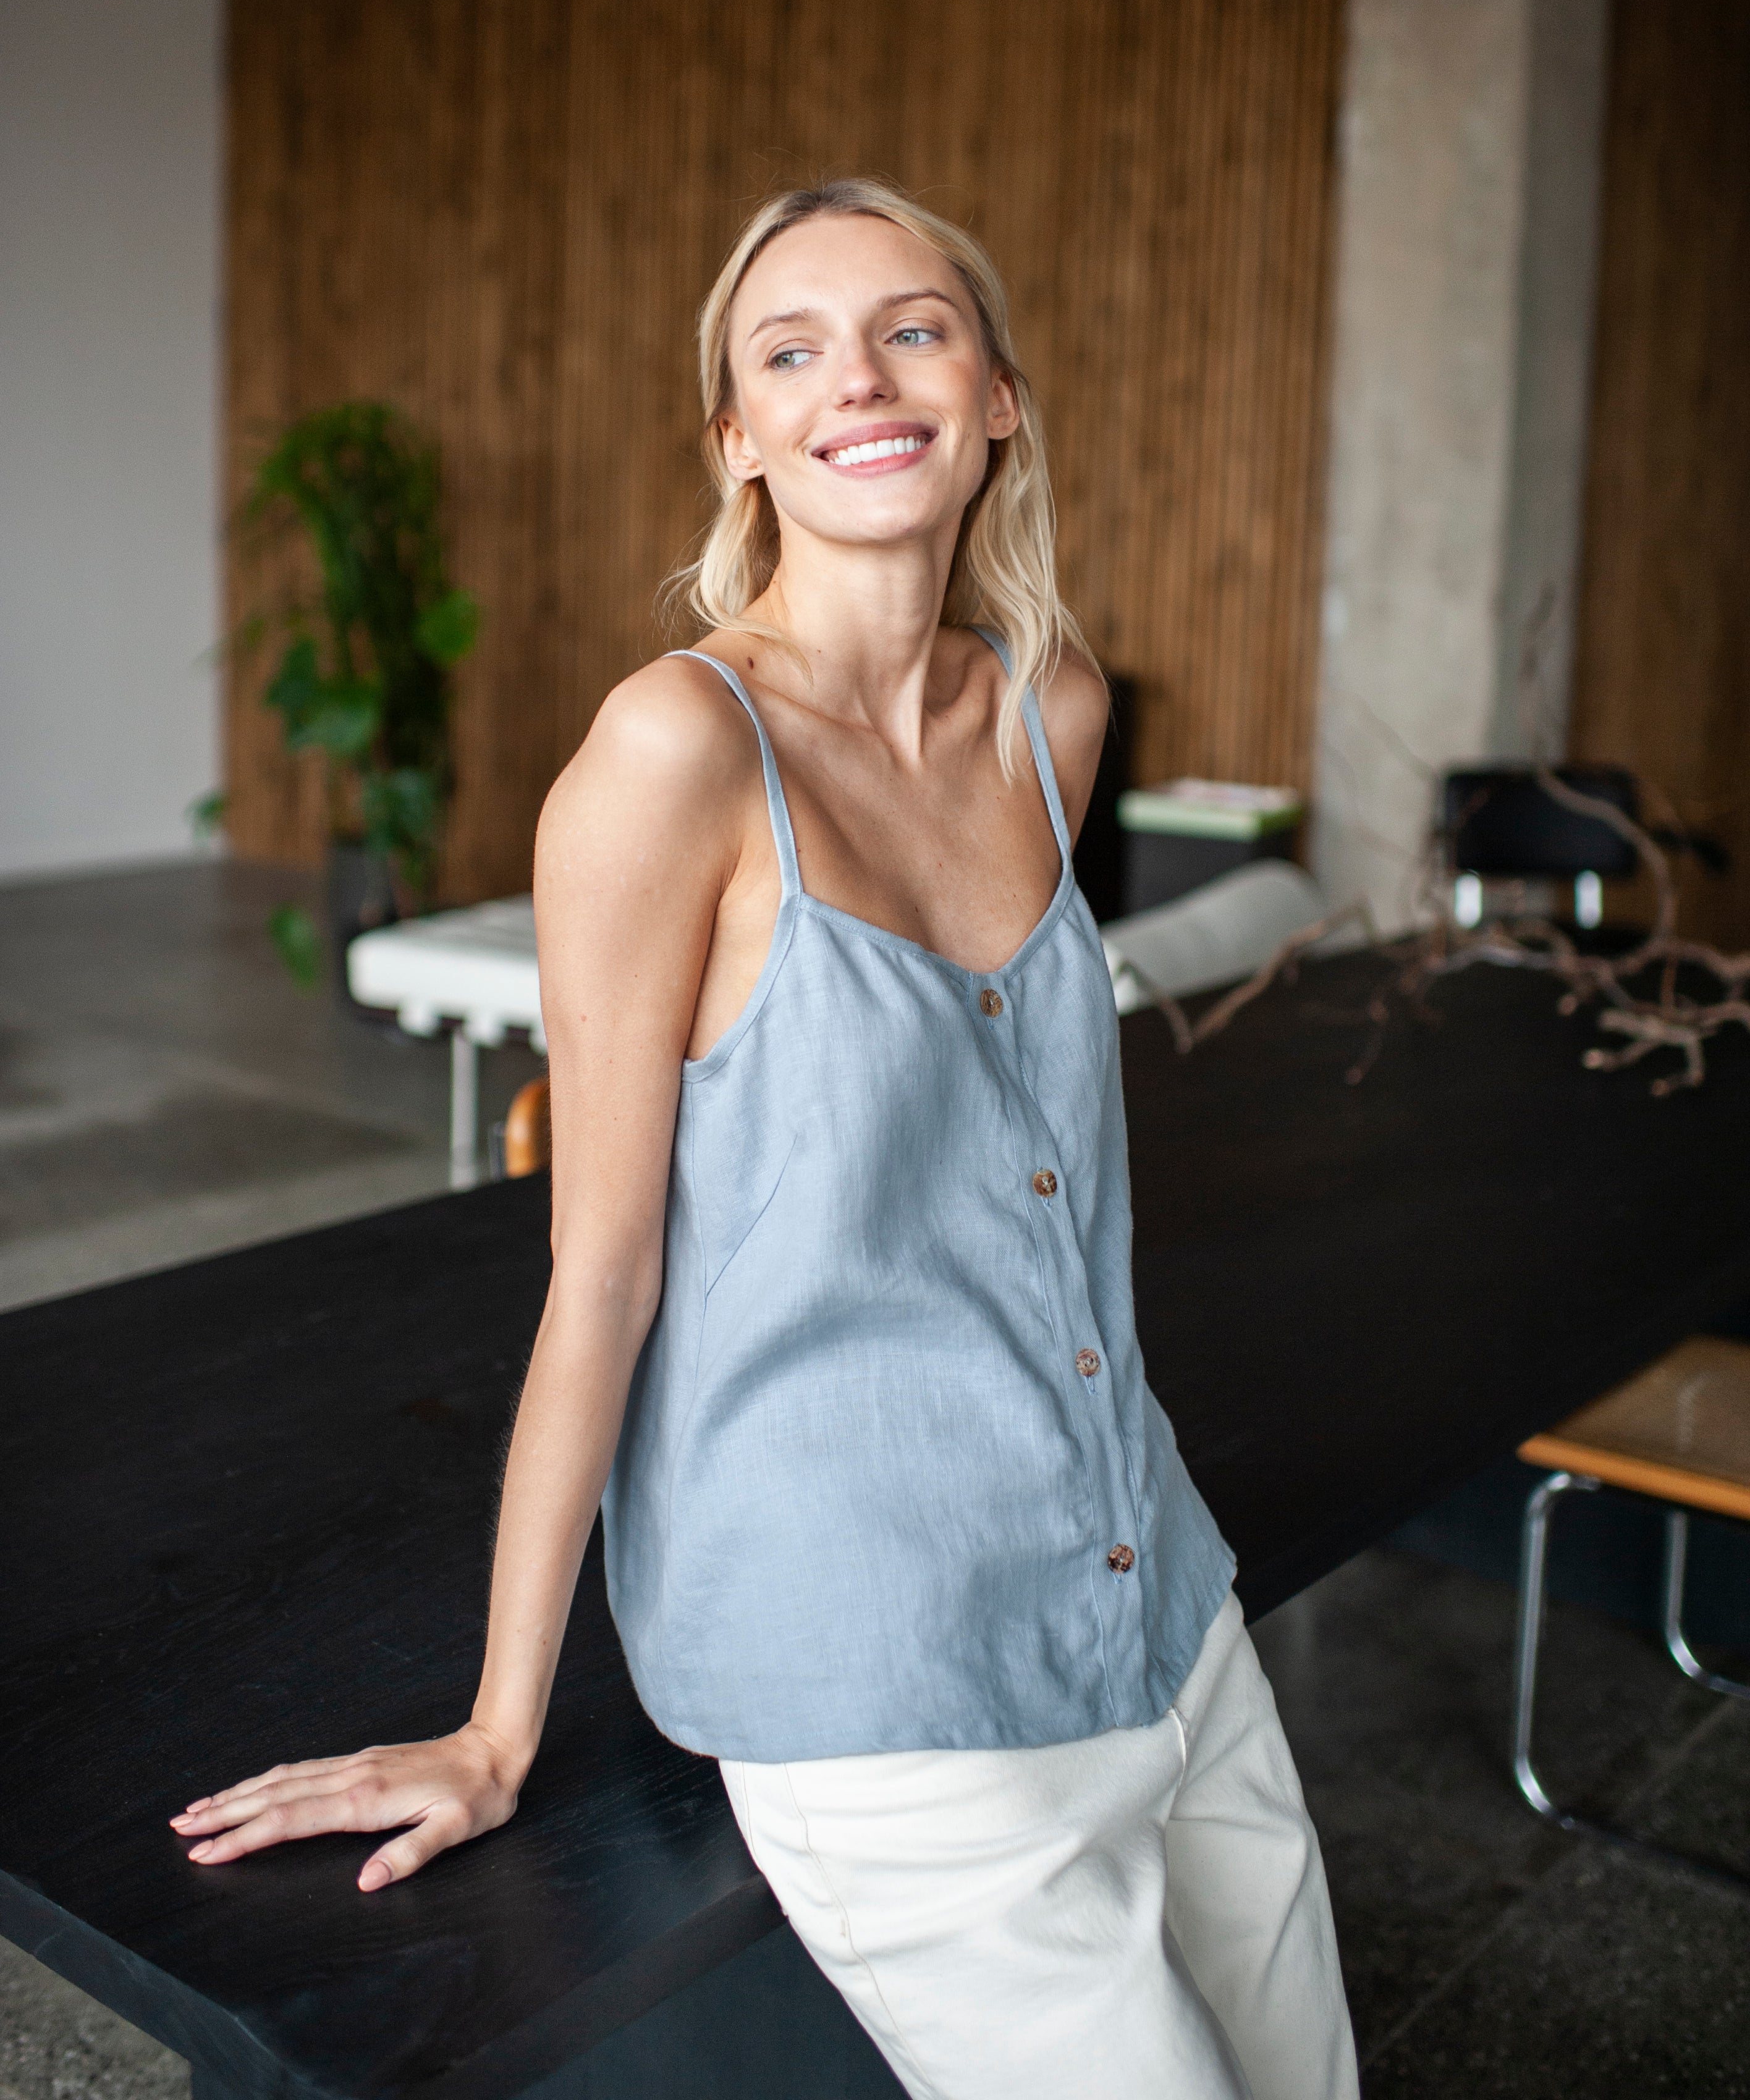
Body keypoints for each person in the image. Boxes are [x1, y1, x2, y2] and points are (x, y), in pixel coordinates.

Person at [172, 180, 1358, 2100]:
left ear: (997, 398)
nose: (857, 381)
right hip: (879, 1667)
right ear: (739, 439)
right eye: (792, 352)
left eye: (913, 330)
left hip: (1151, 1591)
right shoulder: (678, 752)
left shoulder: (1051, 712)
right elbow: (602, 1272)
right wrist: (495, 1729)